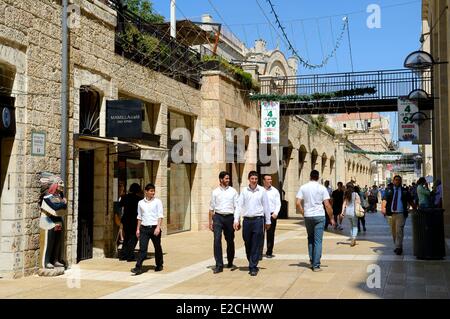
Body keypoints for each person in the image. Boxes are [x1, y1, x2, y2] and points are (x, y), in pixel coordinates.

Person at [296, 170, 335, 272]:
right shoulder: (322, 188)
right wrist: (331, 218)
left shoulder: (303, 187)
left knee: (310, 238)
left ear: (310, 176)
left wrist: (303, 213)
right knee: (318, 241)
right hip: (319, 215)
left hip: (308, 216)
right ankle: (316, 265)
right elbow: (327, 204)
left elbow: (297, 203)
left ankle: (312, 259)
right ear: (318, 177)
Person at [234, 171, 271, 276]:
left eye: (255, 179)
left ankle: (253, 266)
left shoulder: (262, 191)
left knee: (256, 243)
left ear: (257, 180)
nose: (254, 180)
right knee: (247, 243)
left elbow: (266, 207)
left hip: (258, 220)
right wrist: (236, 220)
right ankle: (251, 259)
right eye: (252, 179)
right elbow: (239, 206)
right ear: (249, 179)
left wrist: (268, 221)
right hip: (247, 221)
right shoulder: (244, 191)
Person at [209, 171, 239, 274]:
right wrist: (210, 222)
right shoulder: (215, 192)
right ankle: (219, 265)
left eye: (228, 178)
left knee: (230, 240)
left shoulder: (233, 191)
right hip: (218, 217)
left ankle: (230, 260)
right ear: (221, 179)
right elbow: (211, 208)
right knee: (217, 240)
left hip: (229, 218)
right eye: (226, 178)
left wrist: (237, 220)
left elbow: (237, 207)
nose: (228, 180)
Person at [131, 183, 164, 275]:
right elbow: (139, 217)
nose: (153, 193)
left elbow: (160, 216)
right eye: (151, 191)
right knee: (142, 249)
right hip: (144, 229)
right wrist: (138, 229)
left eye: (154, 191)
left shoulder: (158, 202)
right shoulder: (140, 203)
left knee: (157, 247)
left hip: (154, 228)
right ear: (146, 191)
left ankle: (159, 264)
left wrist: (158, 227)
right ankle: (138, 267)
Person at [381, 175, 416, 255]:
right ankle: (397, 245)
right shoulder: (389, 190)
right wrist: (383, 208)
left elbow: (410, 201)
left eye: (399, 180)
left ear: (401, 181)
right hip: (391, 214)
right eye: (396, 180)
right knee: (393, 231)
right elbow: (384, 200)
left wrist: (415, 208)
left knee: (399, 230)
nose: (397, 181)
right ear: (393, 181)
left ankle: (398, 247)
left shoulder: (405, 191)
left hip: (401, 214)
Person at [39, 174, 67, 270]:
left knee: (57, 242)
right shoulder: (48, 197)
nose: (62, 185)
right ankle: (46, 262)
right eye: (60, 183)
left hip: (57, 220)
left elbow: (63, 208)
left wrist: (61, 204)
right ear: (54, 185)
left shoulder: (58, 197)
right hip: (47, 221)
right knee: (49, 242)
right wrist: (62, 203)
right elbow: (55, 207)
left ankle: (55, 260)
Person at [118, 183, 142, 261]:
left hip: (126, 220)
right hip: (134, 220)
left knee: (127, 237)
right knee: (134, 238)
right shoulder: (139, 199)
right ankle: (130, 255)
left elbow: (119, 205)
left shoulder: (124, 197)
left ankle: (123, 255)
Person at [259, 174, 281, 259]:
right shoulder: (259, 190)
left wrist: (275, 213)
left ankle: (269, 251)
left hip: (272, 215)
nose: (270, 181)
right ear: (263, 181)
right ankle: (259, 253)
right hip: (261, 215)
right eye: (268, 179)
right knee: (260, 234)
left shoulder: (275, 191)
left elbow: (278, 203)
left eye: (271, 179)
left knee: (270, 234)